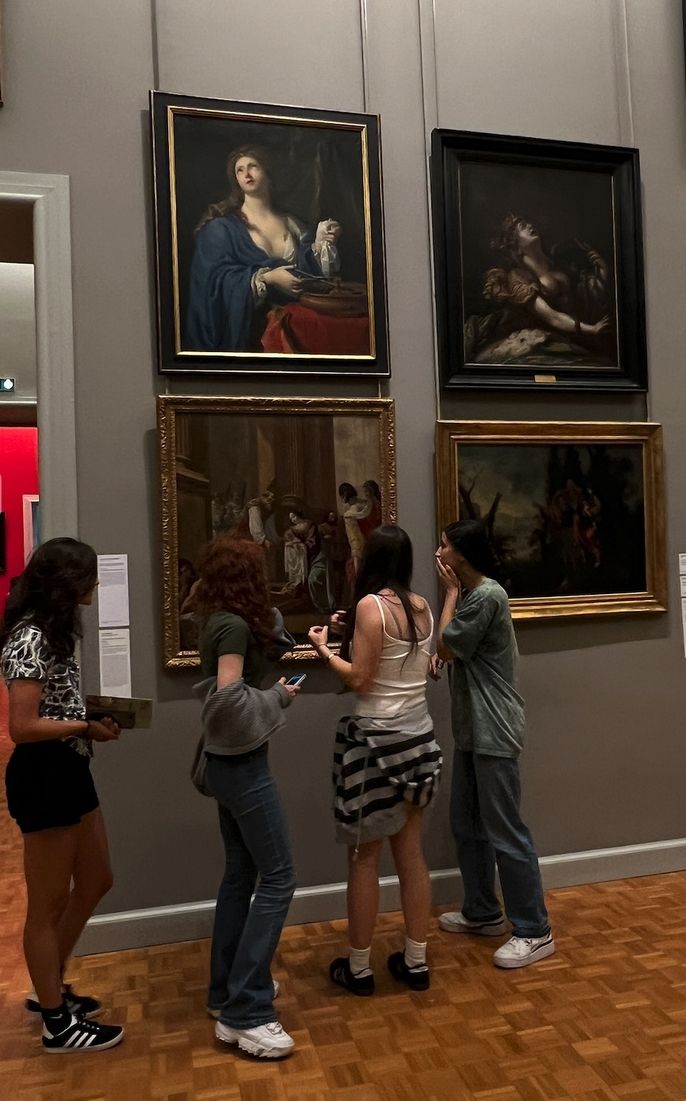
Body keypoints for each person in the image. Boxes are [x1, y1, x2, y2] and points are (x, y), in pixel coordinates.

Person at [0, 538, 125, 1052]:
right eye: (90, 576)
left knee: (97, 880)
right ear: (69, 584)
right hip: (43, 775)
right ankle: (56, 1022)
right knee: (46, 906)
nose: (96, 585)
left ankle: (53, 983)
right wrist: (83, 725)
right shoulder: (29, 638)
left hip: (69, 768)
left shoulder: (53, 635)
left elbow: (50, 704)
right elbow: (22, 727)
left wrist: (87, 713)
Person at [308, 526, 442, 996]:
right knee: (411, 855)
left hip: (375, 743)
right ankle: (416, 960)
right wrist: (351, 632)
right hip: (418, 740)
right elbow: (404, 661)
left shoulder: (370, 606)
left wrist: (325, 647)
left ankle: (360, 969)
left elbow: (361, 680)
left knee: (365, 859)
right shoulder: (422, 606)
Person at [191, 536, 300, 1059]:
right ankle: (246, 1011)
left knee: (241, 874)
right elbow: (230, 699)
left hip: (225, 765)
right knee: (280, 877)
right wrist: (280, 695)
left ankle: (225, 990)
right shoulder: (232, 625)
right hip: (241, 766)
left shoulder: (221, 619)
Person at [433, 519, 554, 969]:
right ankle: (483, 912)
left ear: (461, 554)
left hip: (494, 728)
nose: (439, 552)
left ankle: (534, 929)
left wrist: (447, 597)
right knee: (466, 824)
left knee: (505, 831)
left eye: (444, 545)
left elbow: (448, 646)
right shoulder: (473, 597)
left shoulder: (485, 595)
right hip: (471, 729)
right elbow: (456, 650)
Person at [187, 144, 342, 352]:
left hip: (296, 329)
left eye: (253, 166)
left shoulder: (292, 223)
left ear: (268, 173)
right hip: (250, 335)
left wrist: (324, 242)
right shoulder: (221, 229)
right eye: (239, 170)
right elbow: (211, 284)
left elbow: (312, 274)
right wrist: (267, 278)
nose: (246, 174)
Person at [466, 213, 612, 366]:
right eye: (522, 226)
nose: (530, 226)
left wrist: (603, 273)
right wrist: (592, 329)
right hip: (551, 337)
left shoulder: (558, 263)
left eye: (528, 223)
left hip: (579, 334)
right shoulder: (518, 277)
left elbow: (585, 298)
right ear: (516, 247)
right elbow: (552, 318)